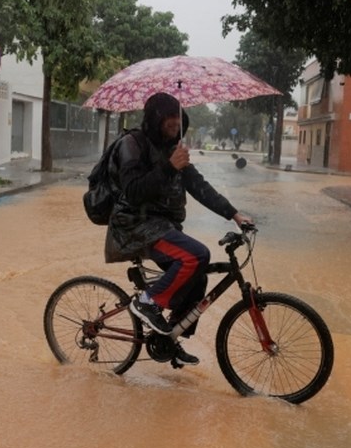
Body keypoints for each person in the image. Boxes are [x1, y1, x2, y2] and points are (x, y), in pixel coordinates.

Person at [105, 92, 254, 366]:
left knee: (198, 279)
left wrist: (233, 214)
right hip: (134, 226)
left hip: (161, 226)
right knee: (196, 255)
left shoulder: (173, 150)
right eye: (169, 116)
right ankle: (148, 302)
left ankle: (170, 338)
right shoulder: (132, 144)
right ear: (156, 118)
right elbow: (133, 192)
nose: (175, 122)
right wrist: (168, 167)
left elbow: (200, 187)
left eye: (178, 116)